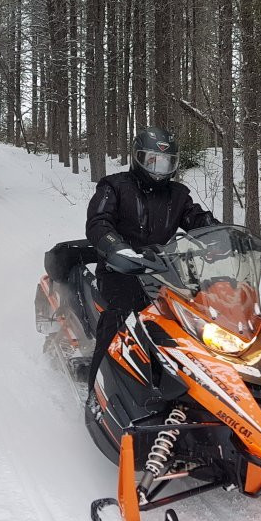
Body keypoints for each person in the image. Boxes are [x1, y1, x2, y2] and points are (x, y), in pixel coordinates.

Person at [85, 127, 219, 388]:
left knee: (196, 320)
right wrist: (116, 248)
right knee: (118, 318)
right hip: (120, 269)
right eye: (152, 161)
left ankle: (196, 383)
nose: (159, 169)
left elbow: (198, 221)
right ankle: (98, 388)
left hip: (162, 271)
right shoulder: (115, 186)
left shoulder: (177, 195)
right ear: (138, 158)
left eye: (166, 163)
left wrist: (230, 239)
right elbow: (99, 222)